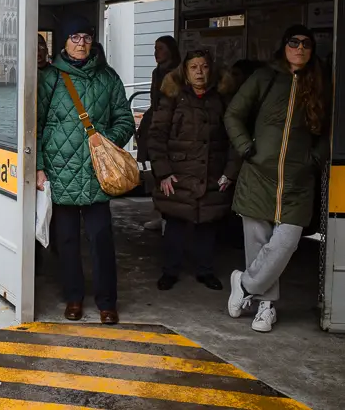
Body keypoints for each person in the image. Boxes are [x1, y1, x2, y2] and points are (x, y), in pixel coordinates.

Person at [225, 25, 329, 332]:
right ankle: (266, 307)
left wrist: (314, 160)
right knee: (258, 244)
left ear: (312, 51)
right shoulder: (265, 77)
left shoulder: (320, 85)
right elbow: (233, 114)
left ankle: (243, 284)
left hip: (298, 181)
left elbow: (327, 130)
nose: (299, 48)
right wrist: (246, 148)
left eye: (306, 44)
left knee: (285, 243)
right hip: (259, 174)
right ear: (283, 46)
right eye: (293, 42)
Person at [36, 15, 135, 325]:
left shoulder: (108, 78)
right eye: (75, 37)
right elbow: (34, 126)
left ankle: (107, 301)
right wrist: (39, 167)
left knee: (101, 239)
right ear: (64, 42)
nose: (81, 43)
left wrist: (104, 142)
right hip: (59, 171)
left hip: (97, 174)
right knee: (66, 242)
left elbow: (125, 120)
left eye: (87, 38)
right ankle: (74, 297)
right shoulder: (50, 78)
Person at [148, 50, 239, 291]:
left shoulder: (222, 99)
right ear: (185, 71)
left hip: (212, 171)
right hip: (178, 172)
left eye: (204, 66)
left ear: (212, 69)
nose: (199, 72)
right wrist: (163, 172)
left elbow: (235, 138)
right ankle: (170, 271)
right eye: (194, 67)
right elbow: (156, 136)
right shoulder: (173, 97)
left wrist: (230, 172)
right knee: (175, 225)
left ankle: (205, 271)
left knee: (208, 226)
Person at [135, 36, 181, 230]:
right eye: (155, 48)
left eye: (160, 48)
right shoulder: (156, 72)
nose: (156, 52)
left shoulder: (178, 73)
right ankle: (161, 213)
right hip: (155, 122)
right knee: (156, 169)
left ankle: (170, 217)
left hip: (173, 126)